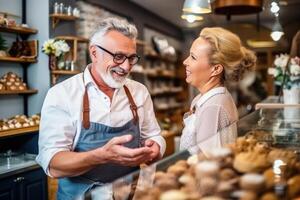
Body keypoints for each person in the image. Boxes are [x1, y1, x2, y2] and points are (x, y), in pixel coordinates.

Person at [36, 17, 166, 199]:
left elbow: (153, 135)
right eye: (119, 56)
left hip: (132, 193)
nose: (126, 66)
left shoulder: (139, 91)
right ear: (94, 53)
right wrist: (102, 156)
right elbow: (54, 164)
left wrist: (156, 147)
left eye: (131, 58)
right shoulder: (62, 94)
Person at [180, 27, 256, 155]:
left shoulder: (213, 107)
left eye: (193, 57)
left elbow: (210, 163)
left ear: (216, 69)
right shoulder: (206, 99)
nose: (185, 61)